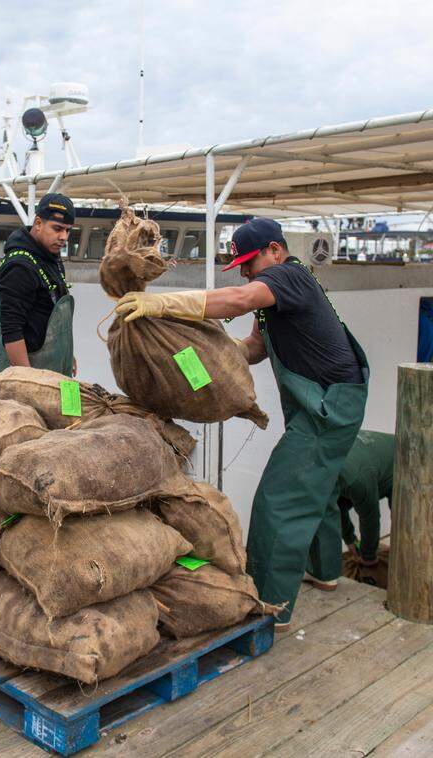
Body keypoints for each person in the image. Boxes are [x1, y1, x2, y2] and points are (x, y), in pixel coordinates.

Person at [115, 217, 368, 627]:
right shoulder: (281, 292)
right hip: (323, 401)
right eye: (243, 266)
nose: (248, 271)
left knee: (279, 501)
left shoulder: (289, 276)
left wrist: (164, 303)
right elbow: (253, 348)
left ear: (275, 249)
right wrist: (203, 344)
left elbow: (237, 299)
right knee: (315, 490)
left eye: (251, 262)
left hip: (329, 405)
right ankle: (324, 573)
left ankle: (270, 607)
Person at [0, 193, 76, 376]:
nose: (64, 237)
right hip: (29, 370)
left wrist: (68, 354)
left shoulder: (51, 257)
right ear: (38, 223)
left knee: (73, 405)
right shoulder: (19, 265)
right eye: (57, 228)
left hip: (60, 367)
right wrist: (28, 379)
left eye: (68, 230)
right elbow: (11, 328)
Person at [336, 430, 395, 585]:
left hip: (400, 460)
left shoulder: (357, 479)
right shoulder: (323, 471)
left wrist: (368, 557)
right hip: (369, 463)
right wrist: (349, 538)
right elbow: (335, 507)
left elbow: (370, 517)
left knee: (403, 521)